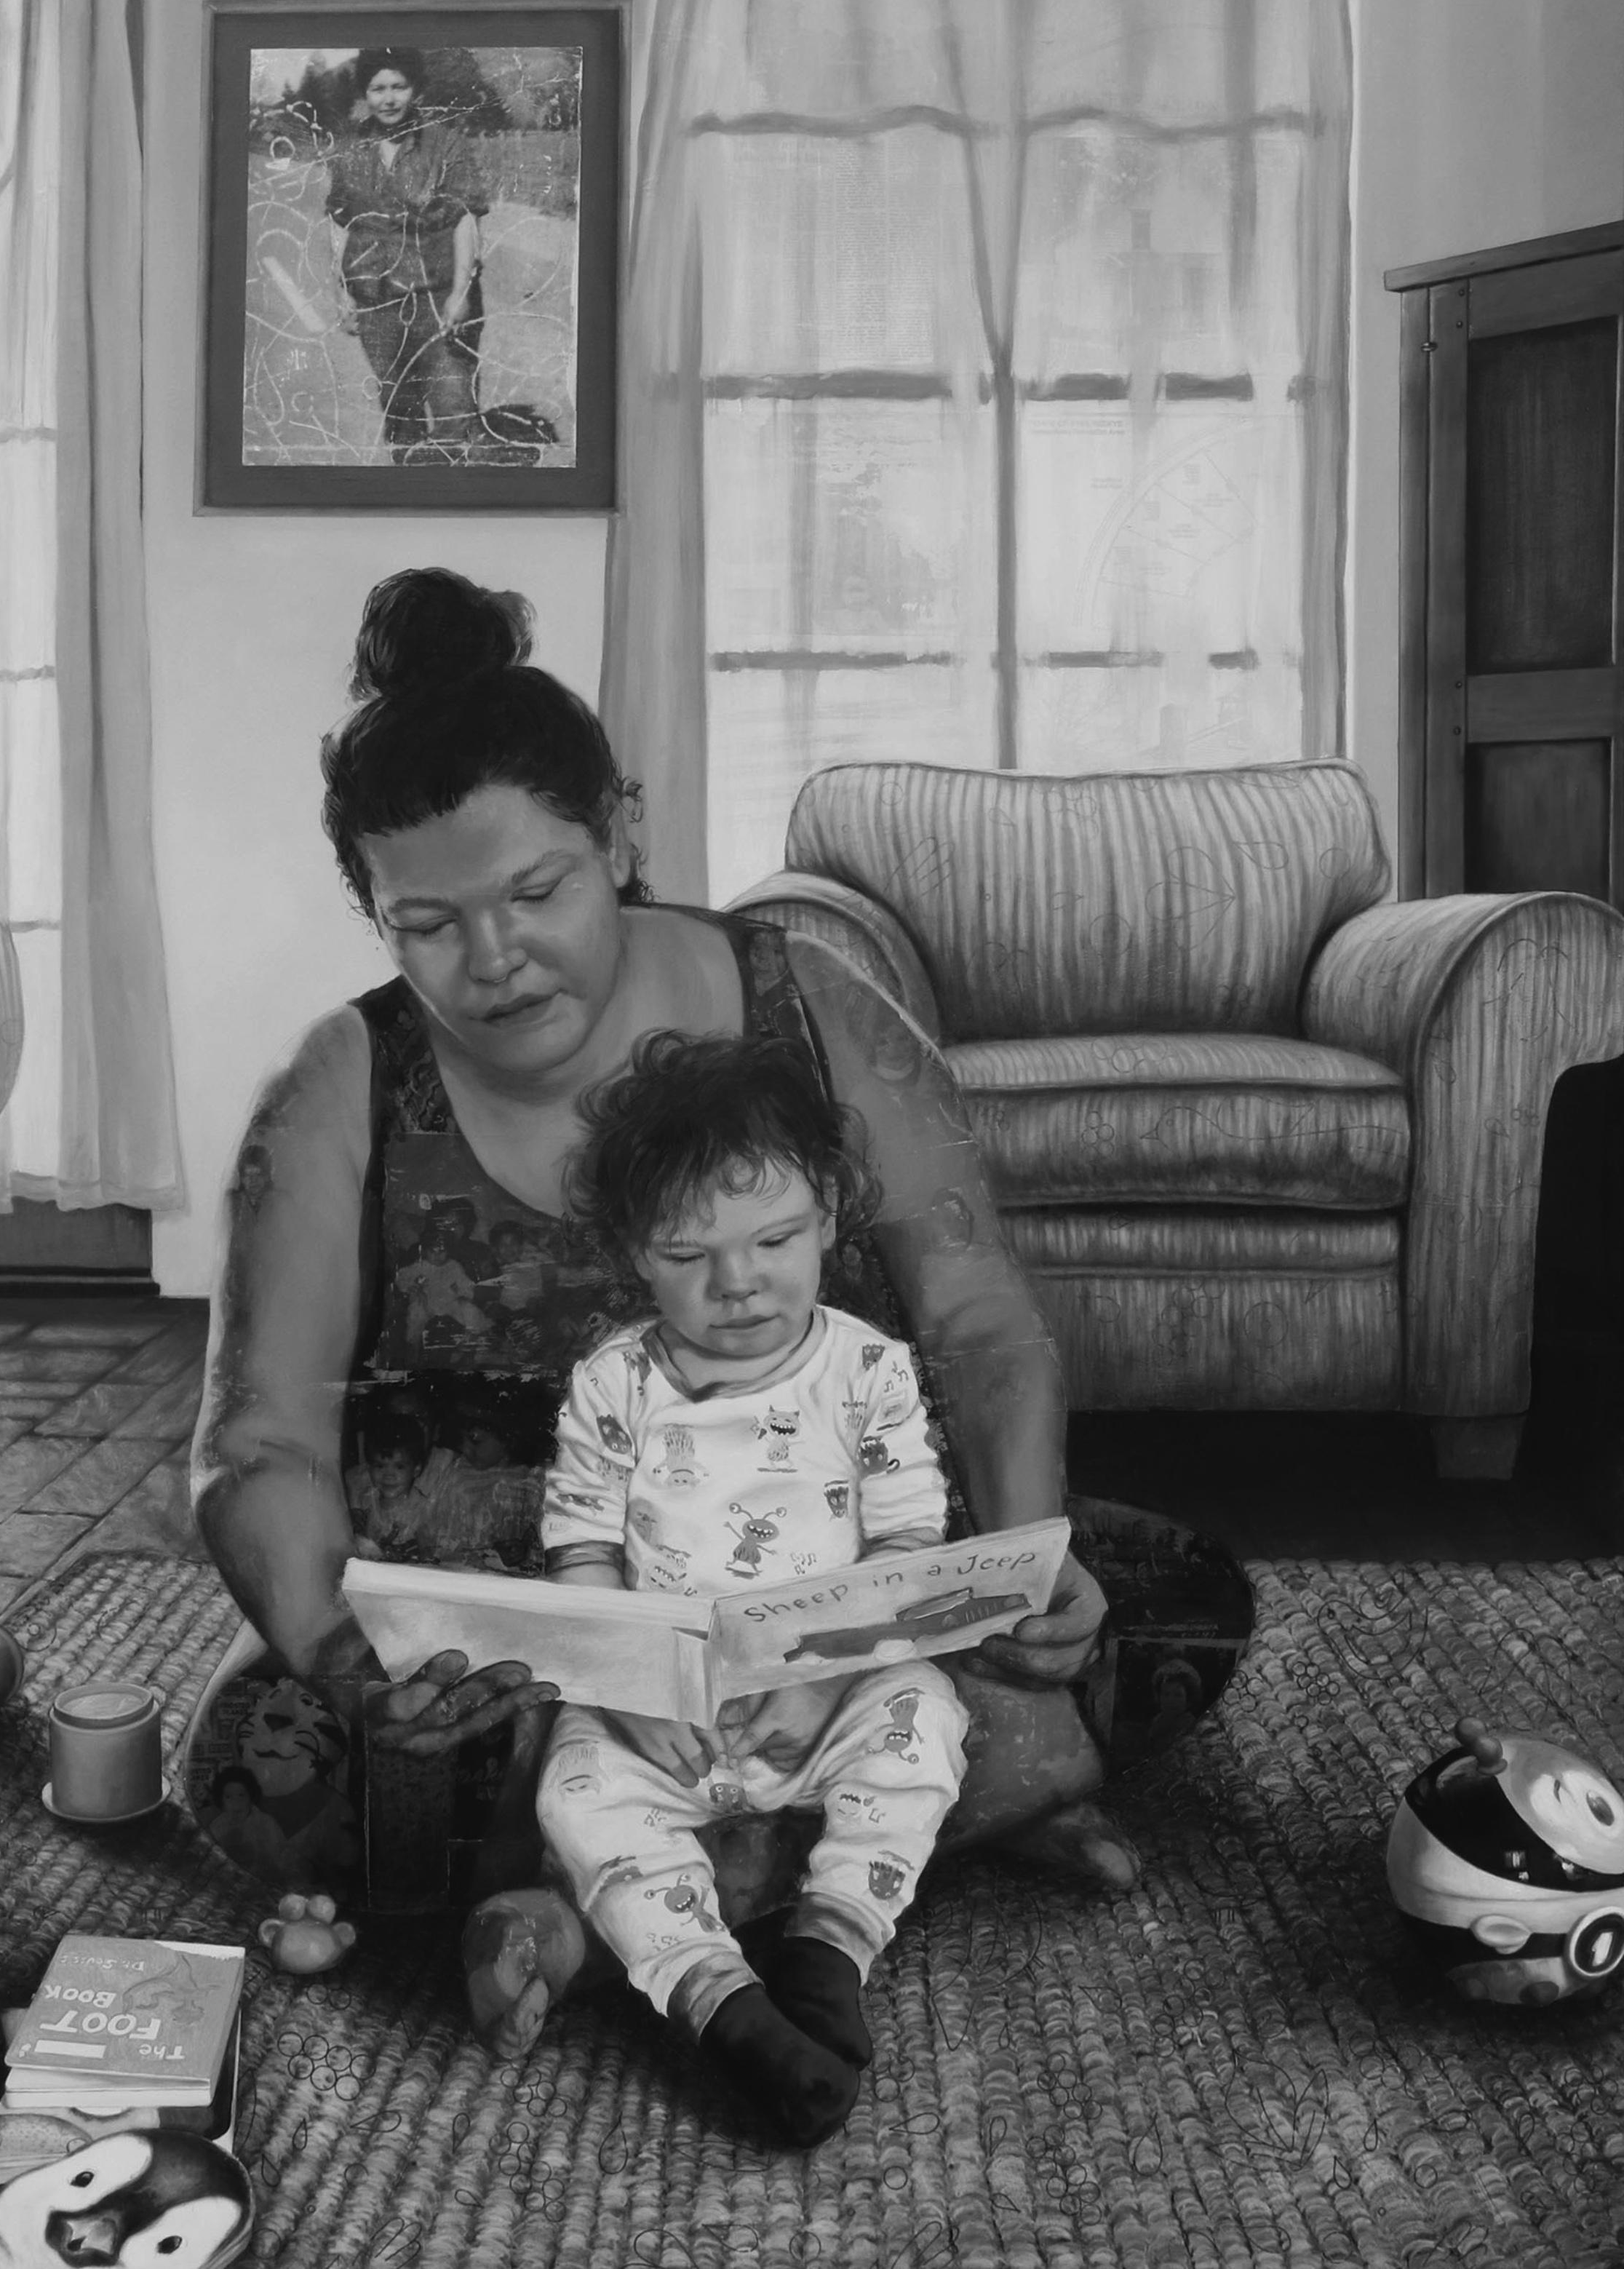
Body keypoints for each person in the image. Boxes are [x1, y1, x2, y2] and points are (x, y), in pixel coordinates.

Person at [188, 565, 1203, 2067]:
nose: (493, 960)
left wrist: (1018, 1565)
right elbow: (255, 1437)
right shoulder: (339, 1086)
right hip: (514, 1659)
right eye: (428, 923)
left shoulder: (809, 1006)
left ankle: (612, 1909)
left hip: (829, 1602)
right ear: (375, 915)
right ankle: (892, 1840)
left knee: (1176, 1596)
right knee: (257, 1774)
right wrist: (343, 1655)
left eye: (536, 891)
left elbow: (980, 1314)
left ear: (620, 836)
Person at [536, 1029, 971, 2146]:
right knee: (574, 1792)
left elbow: (904, 1555)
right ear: (637, 1253)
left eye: (773, 1237)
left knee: (924, 1719)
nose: (736, 1283)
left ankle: (828, 1947)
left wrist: (828, 1683)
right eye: (689, 1255)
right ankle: (719, 2005)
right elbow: (581, 1559)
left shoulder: (866, 1370)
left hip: (831, 1688)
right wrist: (632, 1689)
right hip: (666, 1705)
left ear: (827, 1212)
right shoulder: (612, 1384)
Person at [325, 49, 490, 464]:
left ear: (414, 89)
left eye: (399, 86)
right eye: (378, 89)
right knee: (401, 411)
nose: (389, 99)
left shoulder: (446, 144)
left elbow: (465, 219)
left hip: (435, 299)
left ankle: (454, 501)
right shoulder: (350, 151)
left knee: (454, 410)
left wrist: (460, 294)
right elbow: (340, 223)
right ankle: (411, 499)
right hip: (377, 303)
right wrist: (343, 292)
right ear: (366, 93)